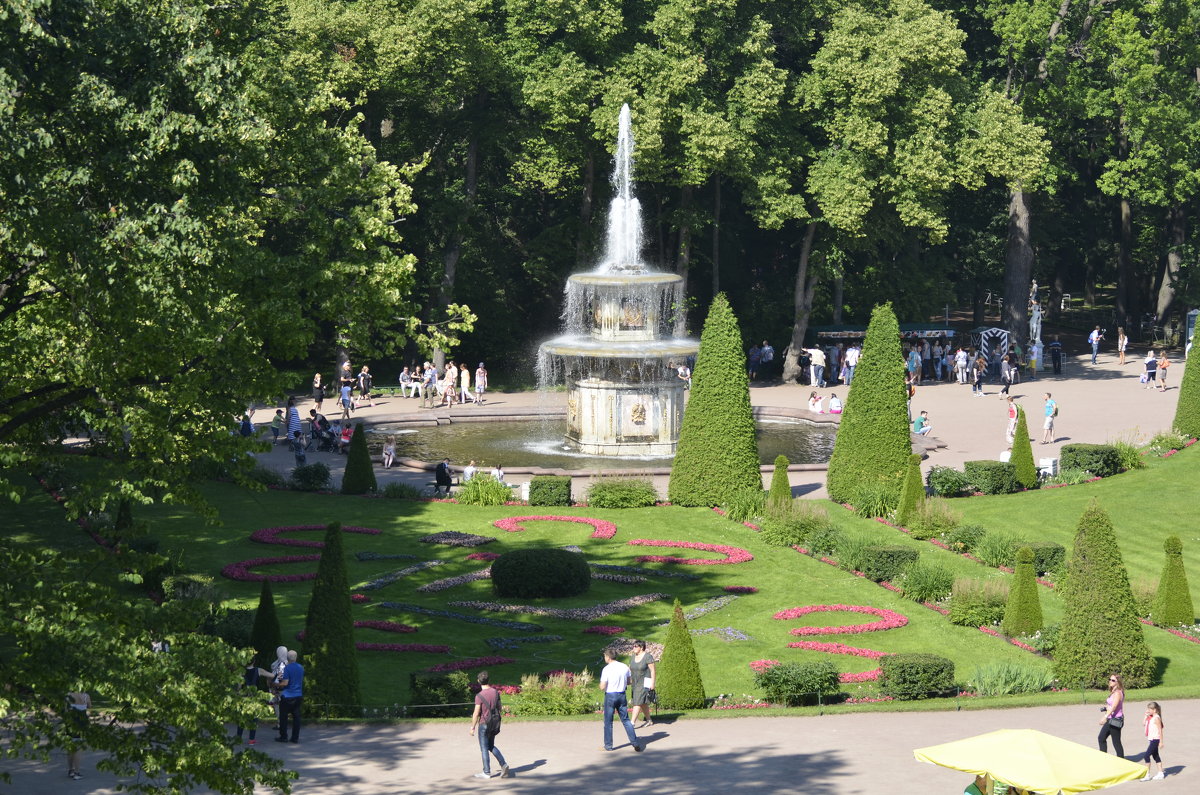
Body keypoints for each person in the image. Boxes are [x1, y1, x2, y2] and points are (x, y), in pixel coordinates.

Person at [468, 671, 510, 779]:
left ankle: (486, 772)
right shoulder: (495, 692)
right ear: (488, 680)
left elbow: (476, 713)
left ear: (478, 681)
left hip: (484, 724)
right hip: (494, 723)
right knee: (491, 746)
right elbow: (500, 708)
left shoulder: (479, 696)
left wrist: (472, 727)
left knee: (484, 748)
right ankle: (503, 764)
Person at [599, 648, 642, 752]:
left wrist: (601, 685)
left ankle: (608, 745)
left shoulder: (606, 669)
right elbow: (629, 681)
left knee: (608, 722)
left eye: (605, 656)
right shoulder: (624, 667)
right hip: (621, 695)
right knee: (626, 720)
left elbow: (602, 686)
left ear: (608, 657)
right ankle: (635, 742)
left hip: (610, 695)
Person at [275, 650, 303, 744]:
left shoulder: (287, 668)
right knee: (296, 717)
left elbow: (285, 683)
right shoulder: (301, 667)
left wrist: (276, 684)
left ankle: (284, 736)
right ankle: (295, 738)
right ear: (296, 657)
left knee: (283, 717)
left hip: (287, 695)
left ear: (287, 658)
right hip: (298, 694)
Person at [627, 640, 657, 729]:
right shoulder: (632, 657)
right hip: (635, 682)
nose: (634, 648)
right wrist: (628, 679)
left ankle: (632, 723)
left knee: (637, 702)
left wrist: (653, 682)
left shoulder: (648, 657)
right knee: (642, 703)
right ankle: (649, 720)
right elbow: (629, 669)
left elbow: (653, 670)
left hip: (644, 683)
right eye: (633, 646)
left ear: (641, 647)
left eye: (636, 646)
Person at [1097, 672, 1124, 758]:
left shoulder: (1118, 693)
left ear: (1117, 682)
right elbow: (1112, 705)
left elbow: (1114, 706)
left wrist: (1105, 717)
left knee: (1116, 742)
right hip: (1111, 718)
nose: (1110, 681)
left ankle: (1122, 761)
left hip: (1115, 720)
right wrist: (1106, 708)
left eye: (1113, 680)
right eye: (1110, 679)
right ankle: (1104, 758)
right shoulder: (1113, 691)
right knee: (1101, 738)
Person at [65, 690, 90, 780]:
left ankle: (71, 770)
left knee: (70, 747)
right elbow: (89, 706)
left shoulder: (69, 695)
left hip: (70, 723)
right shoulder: (86, 696)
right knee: (78, 748)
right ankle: (77, 772)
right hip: (81, 723)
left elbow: (66, 709)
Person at [1140, 702, 1165, 781]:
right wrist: (1145, 716)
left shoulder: (1156, 718)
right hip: (1151, 739)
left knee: (1146, 756)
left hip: (1155, 739)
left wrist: (1161, 742)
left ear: (1155, 710)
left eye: (1150, 709)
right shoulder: (1150, 717)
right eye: (1148, 709)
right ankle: (1161, 773)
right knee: (1155, 756)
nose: (1148, 710)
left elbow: (1160, 730)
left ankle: (1147, 775)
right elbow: (1143, 724)